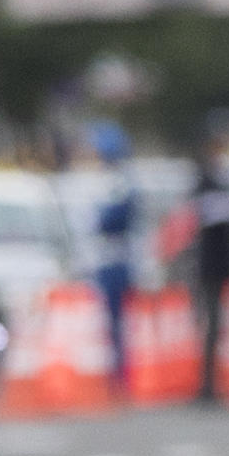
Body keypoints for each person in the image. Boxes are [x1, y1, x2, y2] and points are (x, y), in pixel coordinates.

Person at [185, 114, 229, 409]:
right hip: (209, 261)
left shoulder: (225, 176)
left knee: (219, 324)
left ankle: (215, 382)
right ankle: (206, 384)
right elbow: (200, 216)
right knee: (209, 322)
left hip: (223, 260)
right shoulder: (204, 177)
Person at [84, 122, 140, 393]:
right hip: (102, 260)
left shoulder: (120, 181)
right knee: (104, 321)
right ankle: (108, 374)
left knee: (116, 321)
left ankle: (118, 377)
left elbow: (112, 220)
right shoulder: (103, 180)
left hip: (115, 261)